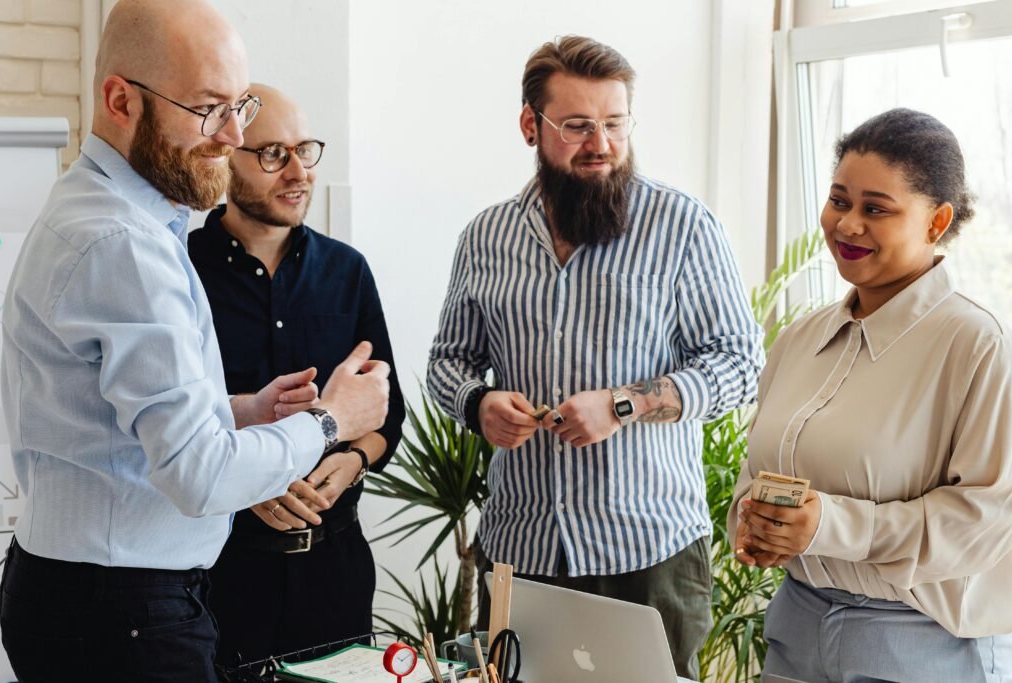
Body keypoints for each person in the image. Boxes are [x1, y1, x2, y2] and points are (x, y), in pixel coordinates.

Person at [0, 2, 390, 682]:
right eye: (210, 109)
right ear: (120, 99)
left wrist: (243, 408)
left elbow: (113, 420)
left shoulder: (112, 215)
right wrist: (331, 421)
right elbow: (200, 473)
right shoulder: (124, 243)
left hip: (89, 596)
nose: (232, 135)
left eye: (240, 106)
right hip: (121, 615)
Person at [426, 35, 764, 679]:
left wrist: (625, 404)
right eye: (577, 126)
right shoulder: (485, 237)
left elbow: (740, 364)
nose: (601, 144)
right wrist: (479, 403)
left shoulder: (684, 227)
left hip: (649, 554)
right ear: (531, 125)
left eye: (615, 124)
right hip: (519, 551)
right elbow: (449, 361)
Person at [731, 108, 1012, 681]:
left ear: (937, 222)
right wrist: (755, 523)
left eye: (875, 209)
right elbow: (757, 470)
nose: (847, 225)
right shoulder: (799, 337)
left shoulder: (977, 345)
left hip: (918, 643)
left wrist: (830, 526)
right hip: (795, 627)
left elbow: (983, 523)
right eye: (839, 200)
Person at [188, 84, 404, 666]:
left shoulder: (347, 271)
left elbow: (389, 412)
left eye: (304, 150)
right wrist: (249, 483)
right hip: (218, 577)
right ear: (225, 154)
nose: (296, 172)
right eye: (272, 154)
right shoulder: (180, 268)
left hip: (334, 574)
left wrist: (351, 461)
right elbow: (170, 421)